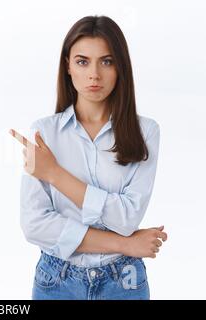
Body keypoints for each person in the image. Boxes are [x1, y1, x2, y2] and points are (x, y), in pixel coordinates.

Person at [9, 15, 168, 300]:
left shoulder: (146, 132)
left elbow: (127, 218)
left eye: (106, 61)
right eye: (83, 61)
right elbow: (35, 225)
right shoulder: (44, 133)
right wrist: (125, 244)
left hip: (124, 282)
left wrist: (55, 174)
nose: (94, 74)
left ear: (120, 67)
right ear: (68, 66)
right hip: (57, 281)